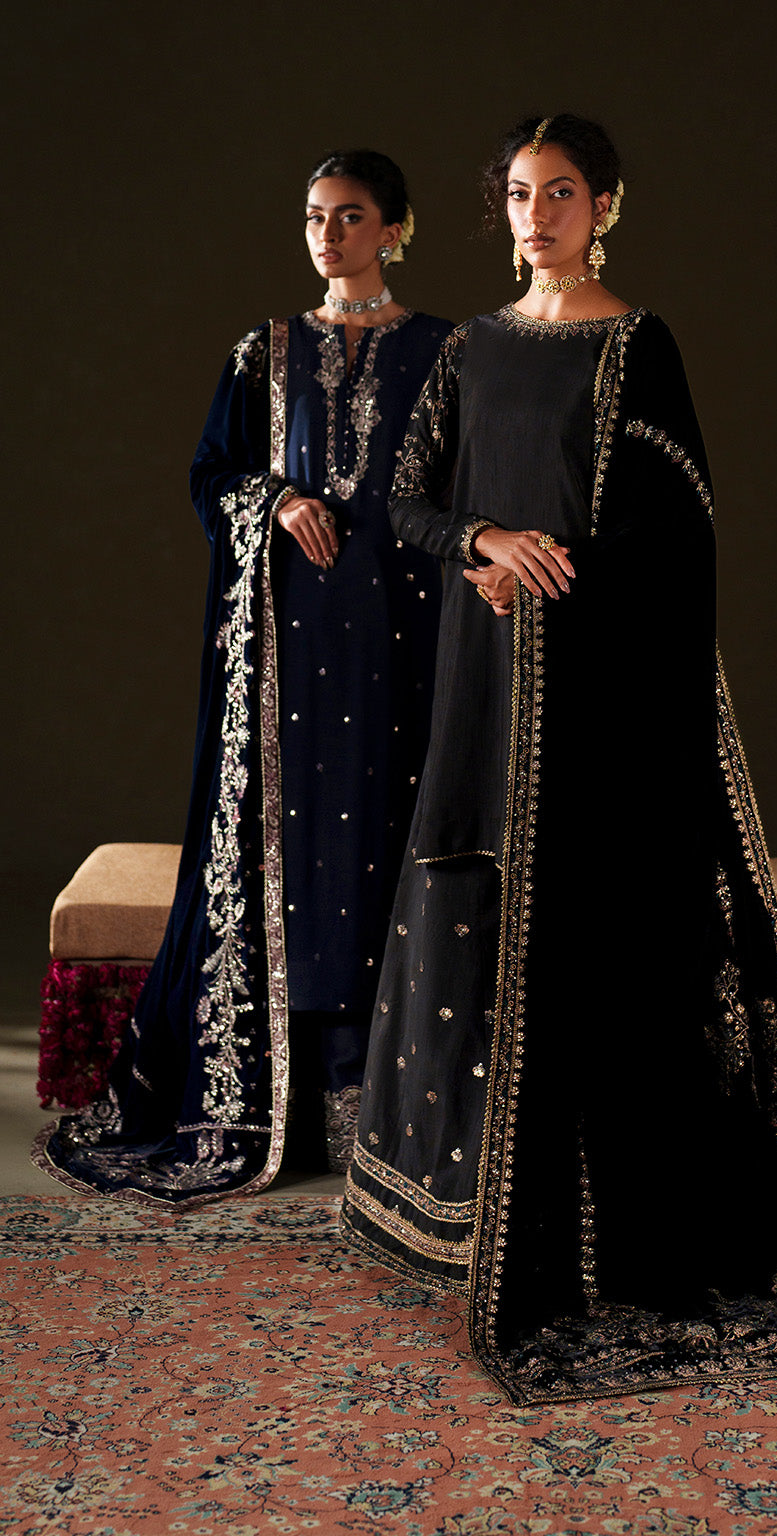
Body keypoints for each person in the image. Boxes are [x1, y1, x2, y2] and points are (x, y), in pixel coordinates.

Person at [342, 115, 777, 1404]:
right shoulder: (469, 348)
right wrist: (479, 542)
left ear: (606, 206)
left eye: (560, 193)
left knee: (598, 942)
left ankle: (600, 1222)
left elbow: (679, 530)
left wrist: (554, 569)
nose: (536, 215)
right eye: (518, 194)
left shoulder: (636, 346)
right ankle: (457, 1211)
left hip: (599, 701)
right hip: (485, 690)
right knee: (472, 911)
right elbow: (400, 499)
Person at [37, 150, 453, 1204]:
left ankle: (389, 1106)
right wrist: (276, 500)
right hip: (283, 649)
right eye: (314, 217)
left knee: (387, 837)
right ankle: (286, 1102)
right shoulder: (262, 351)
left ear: (395, 228)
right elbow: (209, 473)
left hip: (404, 641)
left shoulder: (444, 352)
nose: (328, 236)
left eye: (350, 217)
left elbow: (463, 484)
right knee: (293, 846)